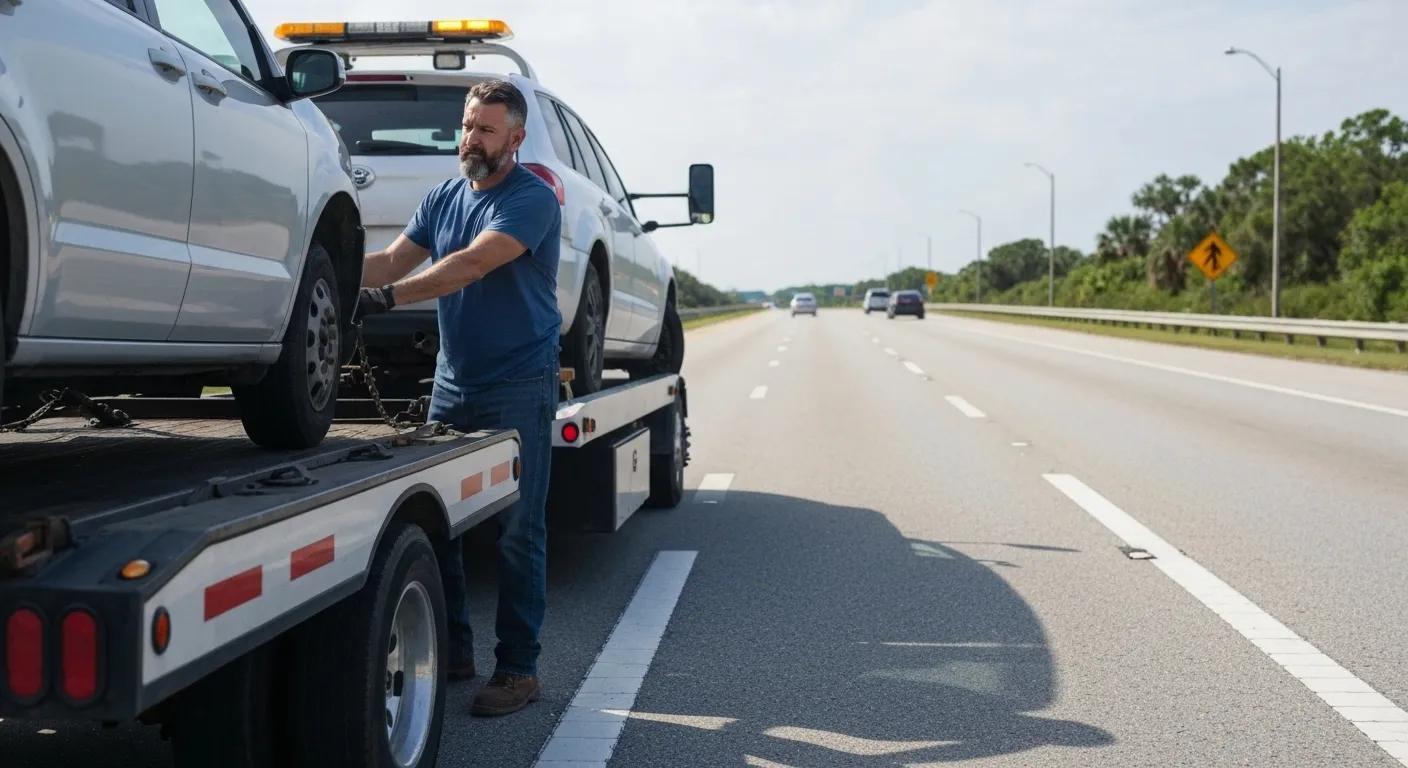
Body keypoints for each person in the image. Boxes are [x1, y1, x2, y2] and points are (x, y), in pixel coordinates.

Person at [354, 79, 561, 717]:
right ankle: (456, 651)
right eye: (468, 126)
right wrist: (326, 276)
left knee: (517, 532)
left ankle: (518, 671)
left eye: (486, 130)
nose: (471, 139)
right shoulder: (444, 195)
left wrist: (386, 300)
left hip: (519, 382)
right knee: (439, 524)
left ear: (515, 139)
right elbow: (392, 260)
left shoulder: (531, 198)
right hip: (453, 381)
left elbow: (472, 264)